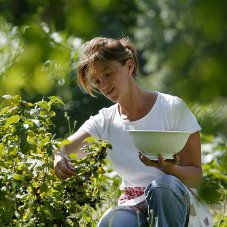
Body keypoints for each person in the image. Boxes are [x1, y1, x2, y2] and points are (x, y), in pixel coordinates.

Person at [54, 37, 213, 227]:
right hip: (135, 206)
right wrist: (59, 155)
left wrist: (171, 170)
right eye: (97, 81)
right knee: (110, 223)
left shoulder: (170, 108)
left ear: (129, 66)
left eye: (108, 74)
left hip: (181, 205)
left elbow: (196, 176)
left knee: (162, 186)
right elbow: (64, 148)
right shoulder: (105, 121)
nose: (104, 86)